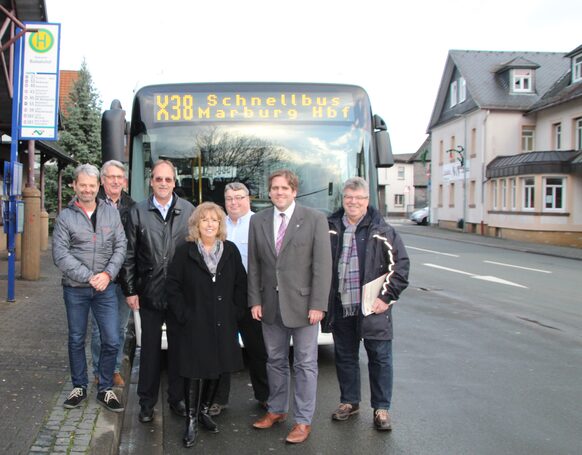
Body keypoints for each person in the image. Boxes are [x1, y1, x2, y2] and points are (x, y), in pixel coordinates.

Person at [248, 169, 332, 444]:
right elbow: (255, 266)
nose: (279, 192)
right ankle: (276, 410)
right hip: (270, 306)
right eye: (275, 188)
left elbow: (322, 266)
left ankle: (303, 421)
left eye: (285, 188)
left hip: (305, 306)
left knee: (306, 364)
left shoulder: (314, 219)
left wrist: (319, 304)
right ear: (269, 192)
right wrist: (255, 300)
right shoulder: (258, 221)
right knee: (275, 361)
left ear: (294, 191)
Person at [323, 177, 409, 431]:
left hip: (373, 308)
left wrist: (386, 297)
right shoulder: (330, 227)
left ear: (367, 201)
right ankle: (349, 402)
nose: (353, 202)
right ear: (343, 199)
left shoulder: (383, 231)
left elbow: (401, 268)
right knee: (345, 357)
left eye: (359, 198)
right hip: (341, 305)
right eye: (349, 197)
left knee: (380, 358)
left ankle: (381, 408)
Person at [167, 202, 247, 448]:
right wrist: (184, 315)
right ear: (196, 225)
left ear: (220, 225)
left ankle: (203, 411)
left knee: (219, 366)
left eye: (214, 220)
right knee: (194, 370)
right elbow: (173, 286)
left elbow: (240, 286)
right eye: (205, 220)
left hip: (224, 322)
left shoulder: (230, 250)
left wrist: (235, 313)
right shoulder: (185, 251)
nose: (210, 224)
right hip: (194, 322)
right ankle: (191, 420)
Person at [121, 159, 195, 423]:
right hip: (148, 294)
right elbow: (128, 255)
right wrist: (130, 290)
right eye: (158, 179)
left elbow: (196, 254)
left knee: (179, 351)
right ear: (151, 181)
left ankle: (177, 399)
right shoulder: (138, 212)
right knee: (150, 353)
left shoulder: (189, 211)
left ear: (174, 182)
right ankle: (146, 403)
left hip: (179, 296)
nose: (163, 184)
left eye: (168, 179)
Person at [52, 163, 127, 413]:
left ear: (99, 187)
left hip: (105, 288)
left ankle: (104, 388)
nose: (86, 189)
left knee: (112, 338)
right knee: (76, 338)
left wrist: (107, 274)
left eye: (91, 185)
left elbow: (121, 247)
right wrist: (90, 276)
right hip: (75, 288)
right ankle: (79, 386)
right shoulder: (65, 216)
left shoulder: (111, 213)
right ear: (75, 185)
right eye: (82, 185)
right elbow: (60, 254)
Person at [209, 183, 269, 416]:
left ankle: (265, 396)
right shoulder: (217, 223)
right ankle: (218, 399)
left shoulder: (260, 223)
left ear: (248, 199)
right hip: (222, 297)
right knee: (221, 348)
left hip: (252, 296)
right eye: (229, 198)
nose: (234, 202)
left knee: (258, 349)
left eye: (239, 198)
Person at [90, 160, 135, 387]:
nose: (116, 181)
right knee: (99, 329)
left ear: (124, 181)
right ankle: (99, 371)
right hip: (100, 278)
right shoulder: (91, 204)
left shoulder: (133, 206)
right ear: (102, 180)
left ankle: (114, 368)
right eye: (111, 177)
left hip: (124, 278)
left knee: (118, 328)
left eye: (119, 177)